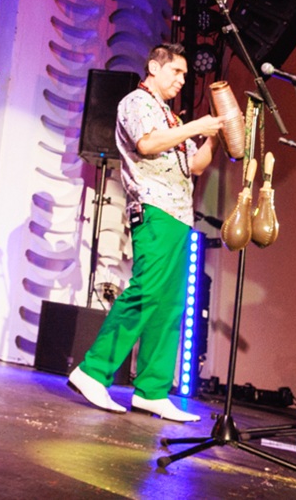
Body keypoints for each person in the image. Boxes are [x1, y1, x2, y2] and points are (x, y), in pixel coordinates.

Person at [67, 42, 221, 423]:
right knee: (146, 290)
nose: (182, 80)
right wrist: (195, 125)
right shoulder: (137, 103)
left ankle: (152, 390)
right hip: (154, 208)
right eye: (177, 72)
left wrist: (211, 136)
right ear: (154, 66)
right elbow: (146, 144)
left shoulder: (170, 116)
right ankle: (92, 370)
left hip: (180, 215)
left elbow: (196, 166)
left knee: (170, 305)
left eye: (185, 75)